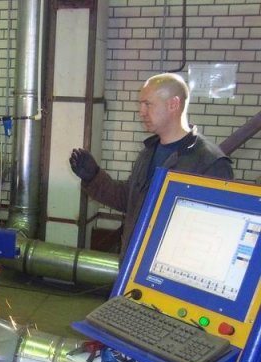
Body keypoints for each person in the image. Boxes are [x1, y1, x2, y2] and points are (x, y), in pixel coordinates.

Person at [69, 72, 233, 254]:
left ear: (173, 104)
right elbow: (129, 200)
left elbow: (213, 234)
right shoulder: (149, 151)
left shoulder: (210, 163)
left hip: (169, 265)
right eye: (141, 104)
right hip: (133, 259)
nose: (141, 112)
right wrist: (94, 178)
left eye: (148, 104)